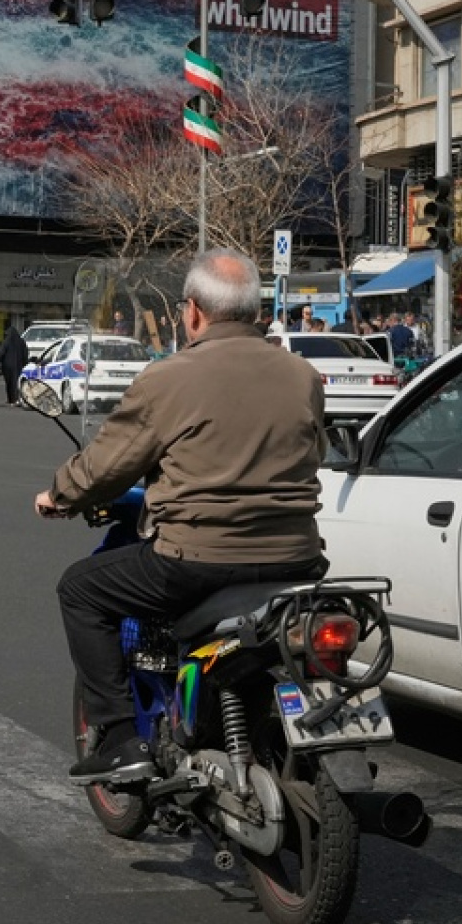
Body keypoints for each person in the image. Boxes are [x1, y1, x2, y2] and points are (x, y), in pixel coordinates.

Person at [34, 249, 329, 785]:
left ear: (191, 312)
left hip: (198, 561)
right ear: (254, 309)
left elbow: (108, 464)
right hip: (298, 561)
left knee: (80, 589)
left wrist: (59, 493)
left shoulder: (169, 378)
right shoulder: (303, 375)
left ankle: (122, 739)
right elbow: (314, 452)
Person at [0, 323, 28, 405]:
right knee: (17, 382)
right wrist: (25, 363)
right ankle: (17, 399)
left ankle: (10, 399)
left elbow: (1, 353)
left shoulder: (6, 341)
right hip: (19, 365)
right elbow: (25, 353)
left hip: (7, 366)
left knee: (9, 383)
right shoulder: (21, 342)